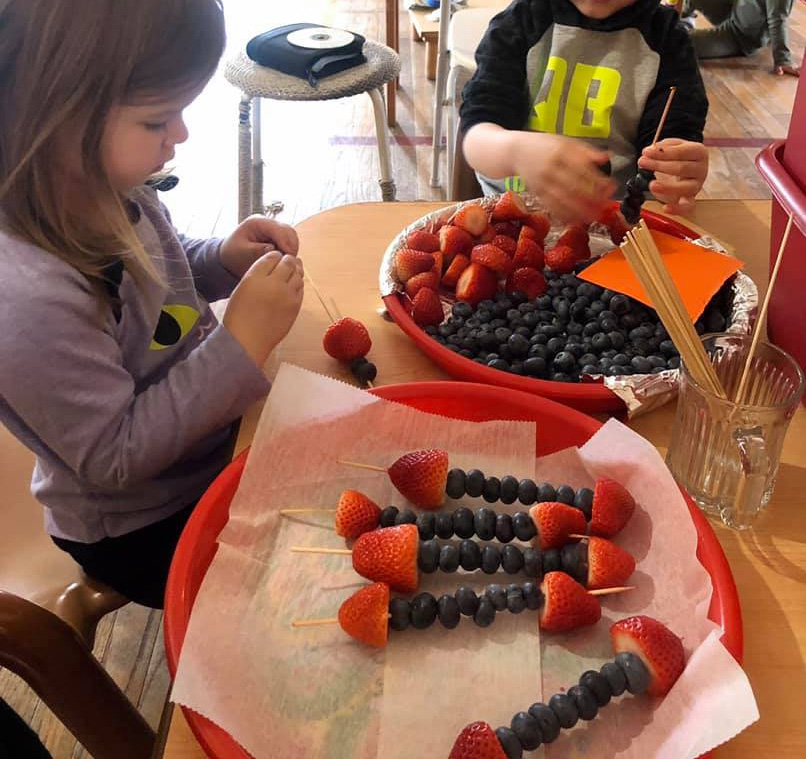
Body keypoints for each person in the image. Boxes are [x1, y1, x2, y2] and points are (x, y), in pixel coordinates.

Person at [0, 0, 305, 609]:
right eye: (157, 120)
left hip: (207, 448)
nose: (182, 135)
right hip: (142, 523)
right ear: (52, 115)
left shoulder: (97, 181)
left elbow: (154, 270)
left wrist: (221, 258)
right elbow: (114, 457)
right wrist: (238, 346)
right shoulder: (24, 296)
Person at [460, 0, 710, 221]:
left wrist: (677, 173)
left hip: (614, 227)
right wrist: (513, 151)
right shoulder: (520, 23)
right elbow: (476, 138)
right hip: (511, 224)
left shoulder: (667, 40)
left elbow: (673, 143)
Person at [685, 0, 801, 76]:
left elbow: (777, 19)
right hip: (733, 11)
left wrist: (783, 59)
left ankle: (677, 27)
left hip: (739, 36)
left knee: (680, 42)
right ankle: (679, 18)